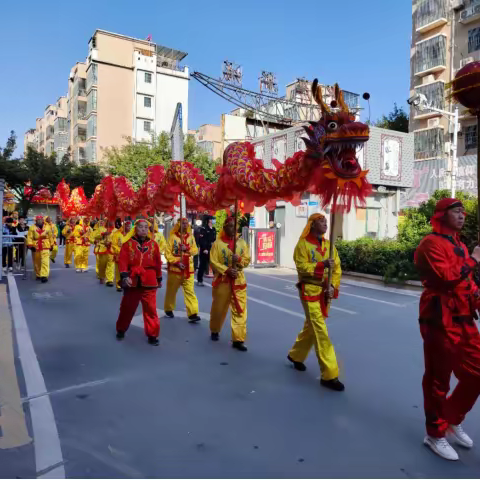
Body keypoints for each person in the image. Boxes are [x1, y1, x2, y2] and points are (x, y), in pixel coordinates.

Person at [414, 198, 480, 461]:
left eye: (463, 211)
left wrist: (476, 297)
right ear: (442, 215)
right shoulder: (429, 244)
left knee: (477, 372)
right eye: (456, 211)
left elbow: (466, 284)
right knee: (437, 379)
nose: (462, 215)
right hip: (439, 318)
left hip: (464, 318)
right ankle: (435, 433)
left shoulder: (460, 245)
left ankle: (451, 419)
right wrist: (474, 260)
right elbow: (448, 278)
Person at [287, 213, 344, 392]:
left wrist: (332, 286)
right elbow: (301, 267)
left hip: (325, 292)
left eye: (326, 221)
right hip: (309, 291)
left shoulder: (329, 246)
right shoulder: (302, 245)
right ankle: (330, 374)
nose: (325, 224)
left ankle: (296, 355)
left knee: (312, 326)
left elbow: (337, 269)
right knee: (321, 331)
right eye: (321, 221)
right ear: (311, 225)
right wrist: (321, 266)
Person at [116, 219, 162, 346]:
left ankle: (152, 334)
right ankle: (121, 329)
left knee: (151, 310)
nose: (143, 229)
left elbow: (158, 263)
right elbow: (123, 261)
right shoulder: (128, 244)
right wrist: (125, 276)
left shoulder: (154, 244)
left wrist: (159, 278)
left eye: (146, 227)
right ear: (135, 229)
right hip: (133, 280)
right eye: (141, 227)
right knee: (127, 308)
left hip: (150, 280)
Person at [209, 216, 250, 351]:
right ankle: (215, 329)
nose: (233, 228)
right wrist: (226, 270)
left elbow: (247, 260)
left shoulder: (242, 243)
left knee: (240, 310)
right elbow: (213, 262)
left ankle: (238, 339)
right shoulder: (217, 244)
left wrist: (238, 259)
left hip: (239, 281)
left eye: (235, 225)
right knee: (218, 308)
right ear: (225, 227)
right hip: (223, 281)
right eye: (230, 225)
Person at [164, 217, 201, 322]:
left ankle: (193, 313)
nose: (185, 225)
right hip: (175, 270)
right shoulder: (172, 237)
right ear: (178, 225)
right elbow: (167, 253)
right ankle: (168, 309)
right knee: (171, 291)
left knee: (190, 291)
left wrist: (187, 249)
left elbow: (195, 251)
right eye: (183, 223)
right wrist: (176, 262)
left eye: (186, 223)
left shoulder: (191, 237)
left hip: (188, 270)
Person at [27, 215, 53, 283]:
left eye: (41, 220)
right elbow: (29, 237)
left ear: (42, 220)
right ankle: (38, 274)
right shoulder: (32, 228)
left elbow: (50, 236)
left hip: (45, 245)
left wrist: (52, 244)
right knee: (37, 262)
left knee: (45, 261)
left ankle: (44, 275)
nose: (40, 221)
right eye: (38, 220)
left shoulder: (47, 227)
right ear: (36, 220)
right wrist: (30, 245)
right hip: (36, 246)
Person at [197, 216, 216, 286]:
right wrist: (204, 249)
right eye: (212, 219)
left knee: (214, 265)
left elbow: (214, 240)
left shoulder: (213, 229)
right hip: (205, 250)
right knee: (202, 265)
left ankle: (217, 280)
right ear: (209, 220)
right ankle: (199, 280)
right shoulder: (204, 229)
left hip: (212, 250)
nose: (213, 221)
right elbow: (202, 240)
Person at [112, 219, 126, 292]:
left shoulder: (131, 235)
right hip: (119, 255)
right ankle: (118, 285)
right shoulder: (117, 234)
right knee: (118, 270)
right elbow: (114, 245)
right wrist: (120, 251)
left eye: (130, 226)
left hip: (128, 257)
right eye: (127, 226)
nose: (128, 227)